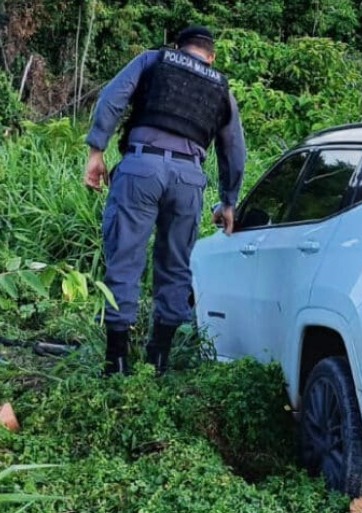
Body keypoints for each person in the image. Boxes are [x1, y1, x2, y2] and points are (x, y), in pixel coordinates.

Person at [84, 26, 246, 376]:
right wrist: (228, 202)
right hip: (189, 179)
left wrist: (97, 150)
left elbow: (112, 98)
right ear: (211, 57)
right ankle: (158, 361)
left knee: (125, 260)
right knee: (175, 266)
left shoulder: (154, 60)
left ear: (177, 47)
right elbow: (234, 149)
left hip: (141, 168)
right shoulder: (222, 89)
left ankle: (117, 363)